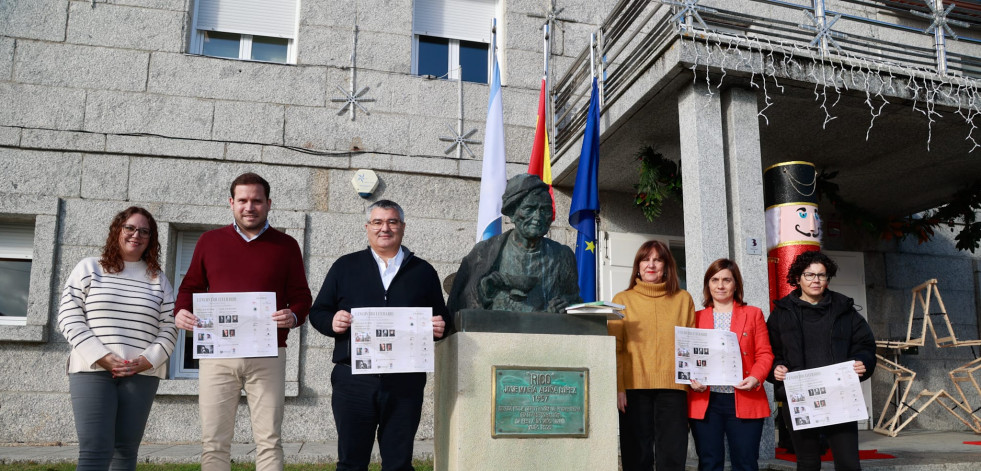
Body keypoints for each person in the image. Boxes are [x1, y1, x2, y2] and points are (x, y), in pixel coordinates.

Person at [174, 172, 312, 471]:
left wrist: (294, 315)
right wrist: (181, 311)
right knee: (214, 442)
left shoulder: (286, 245)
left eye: (257, 201)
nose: (250, 207)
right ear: (231, 203)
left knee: (269, 440)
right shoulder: (209, 242)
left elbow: (302, 295)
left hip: (268, 354)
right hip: (218, 356)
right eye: (243, 200)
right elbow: (189, 288)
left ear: (268, 204)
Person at [309, 199, 450, 471]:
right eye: (377, 222)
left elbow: (442, 317)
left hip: (405, 380)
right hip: (354, 379)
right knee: (351, 462)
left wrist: (438, 327)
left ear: (403, 227)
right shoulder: (345, 266)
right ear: (367, 227)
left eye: (392, 222)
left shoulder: (423, 271)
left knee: (398, 463)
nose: (384, 228)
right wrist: (332, 321)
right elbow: (318, 312)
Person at [57, 206, 177, 470]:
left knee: (125, 451)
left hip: (141, 373)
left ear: (151, 238)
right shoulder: (90, 268)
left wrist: (149, 359)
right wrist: (101, 356)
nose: (137, 235)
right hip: (92, 369)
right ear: (117, 231)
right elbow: (68, 316)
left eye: (145, 231)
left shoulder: (158, 280)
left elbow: (170, 326)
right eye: (130, 228)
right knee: (94, 450)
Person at [768, 251, 876, 471]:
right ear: (797, 278)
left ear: (828, 279)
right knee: (807, 463)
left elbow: (865, 345)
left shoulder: (844, 310)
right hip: (799, 397)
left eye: (821, 275)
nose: (815, 280)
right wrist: (775, 368)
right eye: (809, 275)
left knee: (848, 463)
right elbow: (770, 351)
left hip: (840, 395)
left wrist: (862, 361)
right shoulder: (781, 313)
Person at [608, 240, 696, 470]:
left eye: (658, 260)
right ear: (637, 266)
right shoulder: (622, 300)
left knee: (673, 457)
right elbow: (615, 347)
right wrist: (619, 387)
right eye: (645, 259)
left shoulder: (683, 299)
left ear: (667, 266)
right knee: (636, 456)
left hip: (674, 389)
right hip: (634, 388)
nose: (651, 265)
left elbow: (690, 345)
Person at [448, 174, 581, 314]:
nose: (538, 217)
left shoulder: (562, 255)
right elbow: (462, 305)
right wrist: (485, 291)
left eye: (545, 210)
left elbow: (574, 299)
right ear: (512, 213)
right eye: (529, 209)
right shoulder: (484, 253)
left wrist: (564, 305)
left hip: (546, 333)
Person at [687, 259, 774, 471]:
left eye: (727, 280)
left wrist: (755, 377)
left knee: (745, 463)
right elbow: (687, 356)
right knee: (709, 463)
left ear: (736, 284)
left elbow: (765, 353)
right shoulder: (695, 318)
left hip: (744, 396)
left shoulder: (753, 314)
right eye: (715, 280)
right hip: (706, 399)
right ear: (708, 284)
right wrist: (691, 380)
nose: (720, 285)